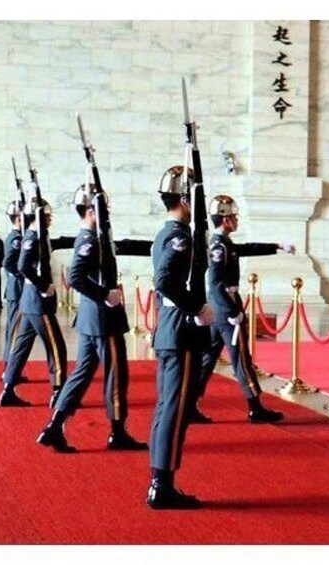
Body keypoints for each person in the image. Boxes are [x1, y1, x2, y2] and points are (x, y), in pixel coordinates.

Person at [36, 185, 147, 453]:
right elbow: (76, 277)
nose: (107, 213)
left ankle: (54, 427)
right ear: (90, 211)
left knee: (82, 374)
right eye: (102, 209)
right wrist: (105, 295)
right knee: (116, 375)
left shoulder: (95, 236)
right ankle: (117, 432)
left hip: (91, 320)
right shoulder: (89, 240)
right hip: (102, 319)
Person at [146, 166, 214, 509]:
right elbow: (166, 281)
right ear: (187, 201)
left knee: (167, 406)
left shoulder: (165, 233)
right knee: (175, 407)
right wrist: (198, 307)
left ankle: (160, 480)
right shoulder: (180, 236)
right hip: (182, 330)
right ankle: (162, 486)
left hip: (170, 329)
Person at [193, 194, 293, 424]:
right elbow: (216, 283)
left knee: (208, 357)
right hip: (225, 308)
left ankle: (189, 403)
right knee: (241, 359)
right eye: (234, 217)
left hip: (221, 307)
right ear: (225, 220)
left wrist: (276, 246)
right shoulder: (218, 247)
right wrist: (233, 312)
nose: (237, 220)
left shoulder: (224, 243)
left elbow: (244, 249)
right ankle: (255, 407)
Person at [0, 198, 67, 407]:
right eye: (47, 215)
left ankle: (8, 389)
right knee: (57, 348)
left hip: (30, 302)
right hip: (38, 302)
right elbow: (21, 265)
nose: (50, 218)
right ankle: (59, 392)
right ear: (38, 217)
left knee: (21, 347)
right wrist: (43, 286)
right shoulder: (31, 237)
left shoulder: (37, 235)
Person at [0, 202, 28, 382]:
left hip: (16, 290)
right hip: (17, 291)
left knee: (15, 330)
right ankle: (9, 372)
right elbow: (8, 264)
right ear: (19, 218)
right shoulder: (16, 238)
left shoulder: (16, 236)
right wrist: (24, 275)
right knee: (16, 332)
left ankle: (11, 370)